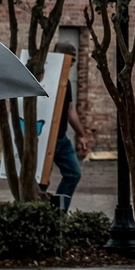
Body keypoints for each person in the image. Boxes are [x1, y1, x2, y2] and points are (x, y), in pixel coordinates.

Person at [51, 44, 92, 210]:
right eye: (71, 59)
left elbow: (69, 110)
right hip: (44, 139)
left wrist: (81, 135)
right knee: (40, 181)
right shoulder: (45, 77)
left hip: (61, 139)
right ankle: (37, 215)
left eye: (75, 60)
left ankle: (58, 211)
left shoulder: (65, 82)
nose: (73, 64)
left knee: (73, 173)